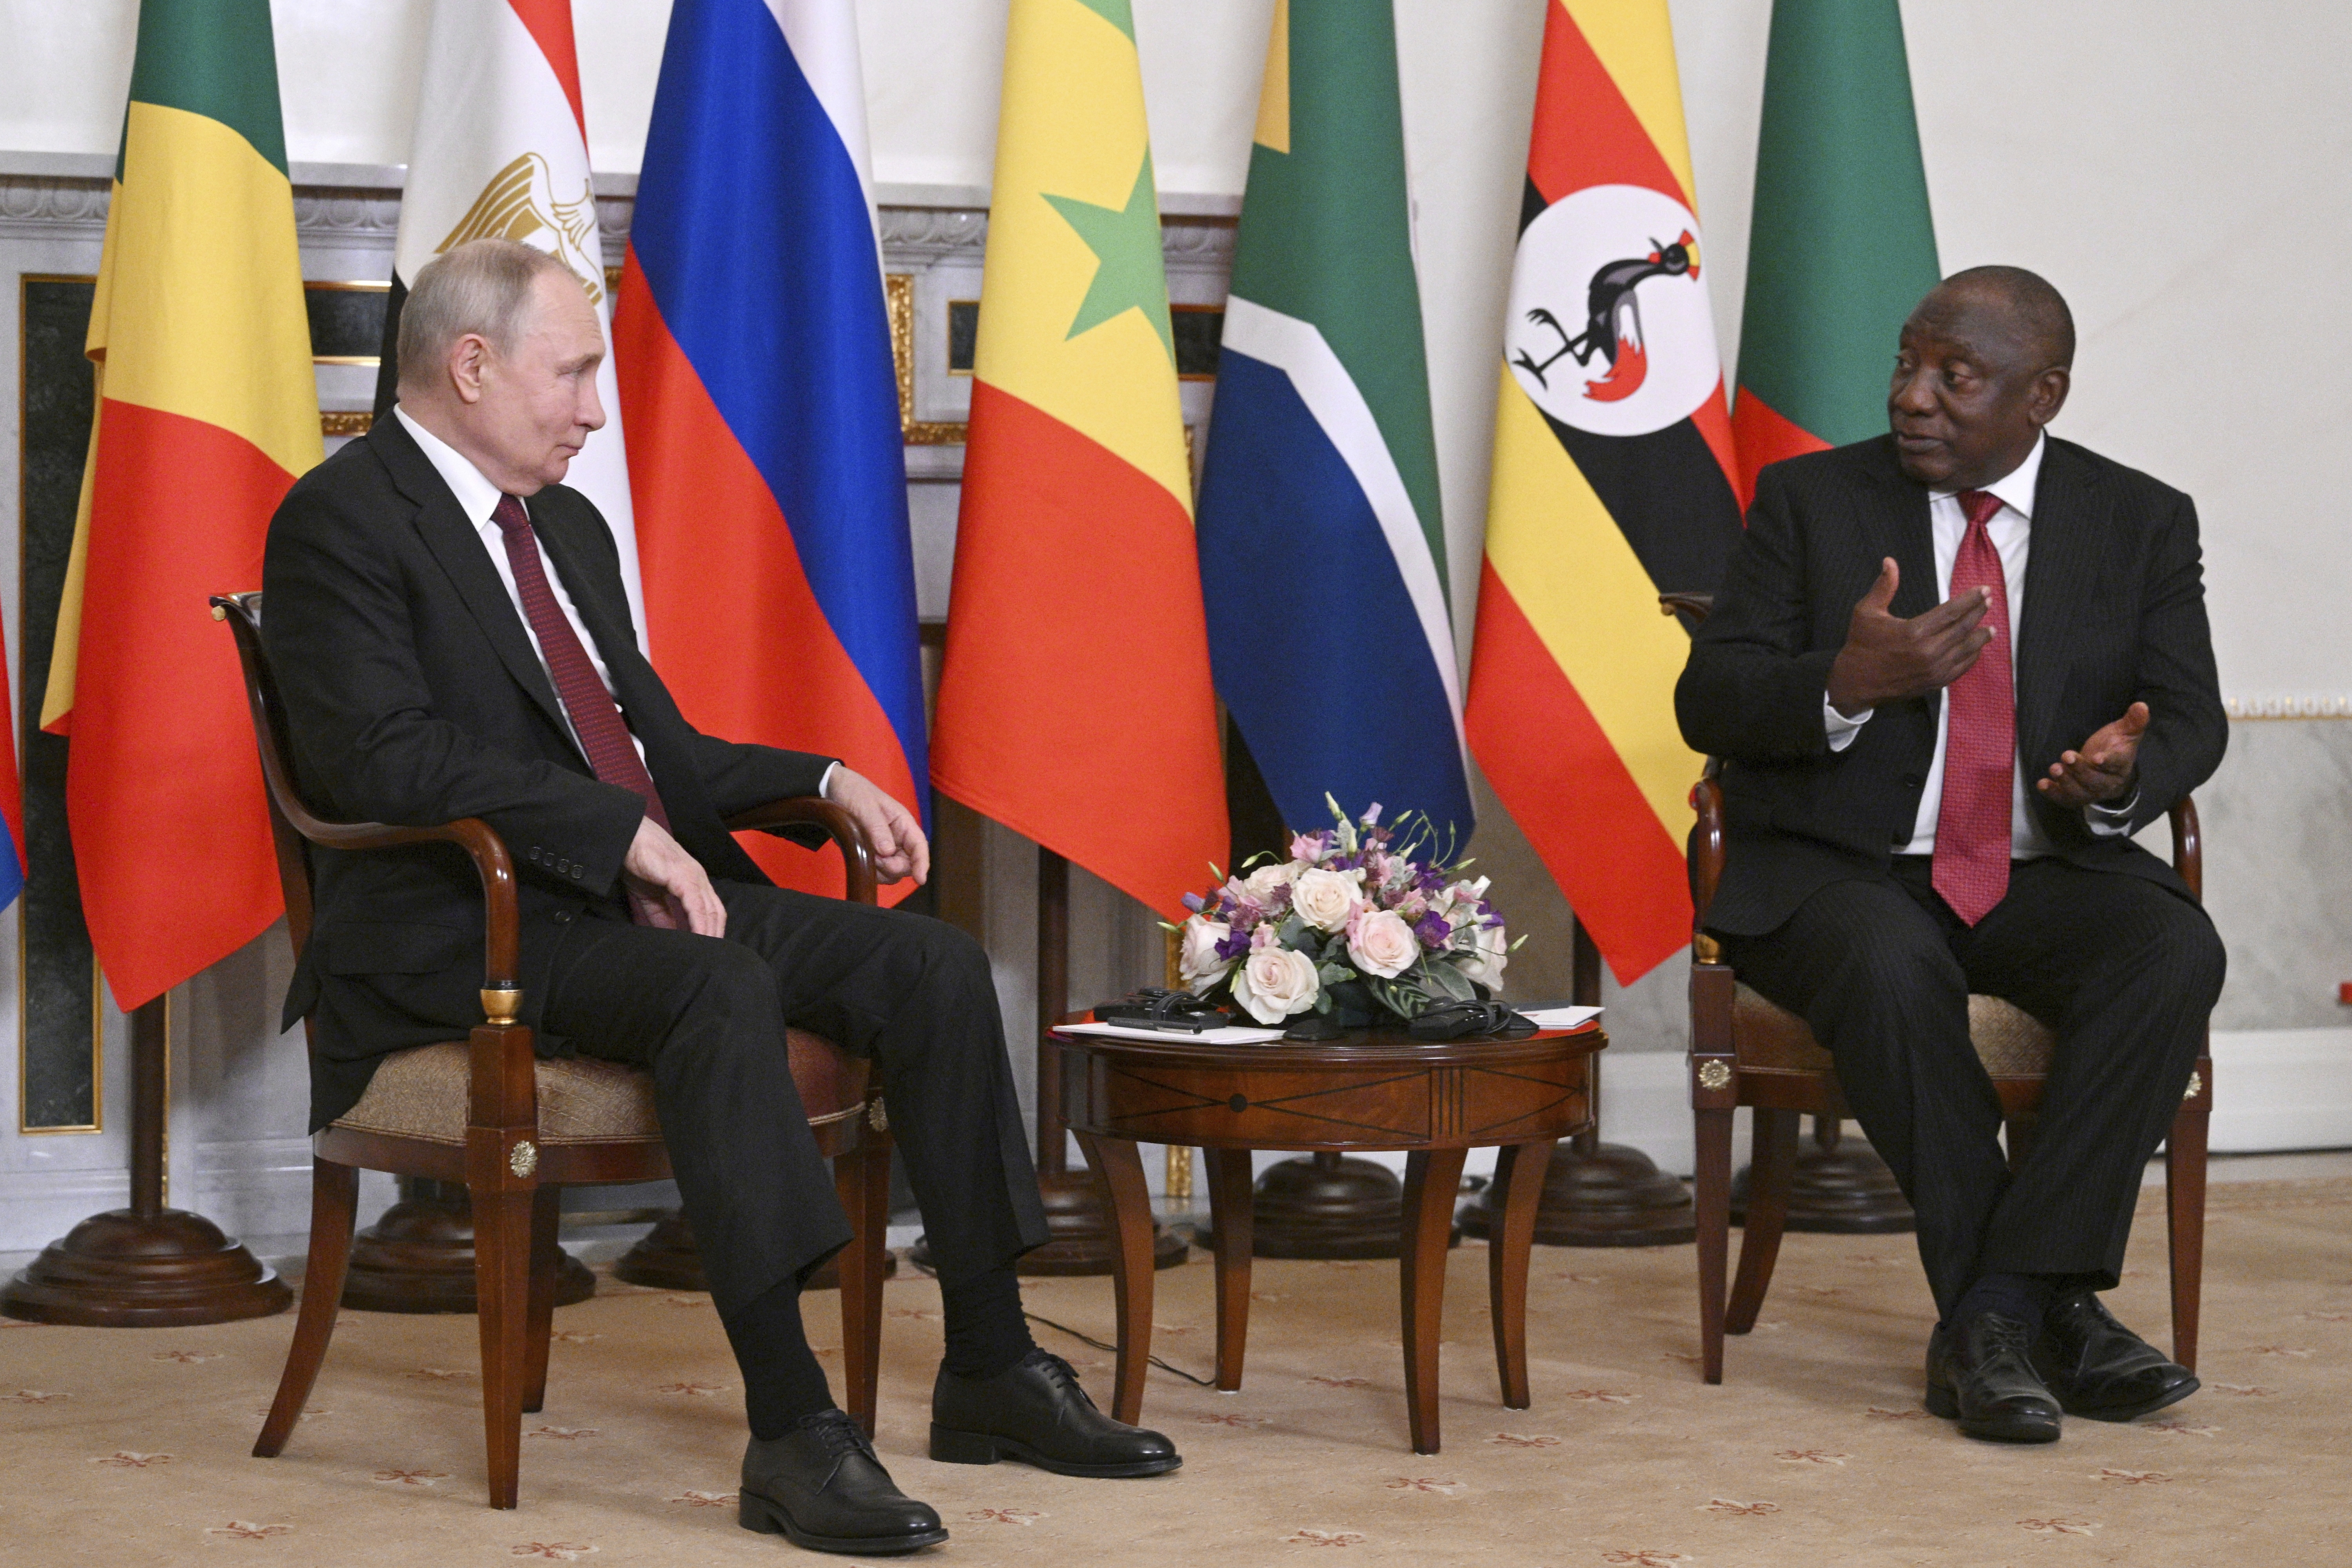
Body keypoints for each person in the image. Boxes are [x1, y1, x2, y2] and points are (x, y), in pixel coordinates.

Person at [263, 238, 1179, 1553]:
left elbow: (655, 751)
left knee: (929, 965)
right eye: (573, 373)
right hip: (464, 926)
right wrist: (617, 837)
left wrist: (820, 775)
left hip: (604, 896)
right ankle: (795, 1428)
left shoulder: (564, 526)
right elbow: (378, 757)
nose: (594, 411)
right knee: (718, 985)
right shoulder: (339, 519)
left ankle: (991, 1361)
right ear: (470, 366)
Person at [1676, 266, 2226, 1444]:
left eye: (1955, 377)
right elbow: (1708, 698)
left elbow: (2190, 717)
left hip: (2042, 869)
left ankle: (1998, 1315)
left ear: (2043, 396)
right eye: (1907, 364)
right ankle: (2049, 1316)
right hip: (1841, 870)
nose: (1912, 396)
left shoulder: (2139, 519)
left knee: (2172, 947)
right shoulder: (1811, 501)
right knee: (1889, 963)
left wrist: (2126, 776)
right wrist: (1842, 683)